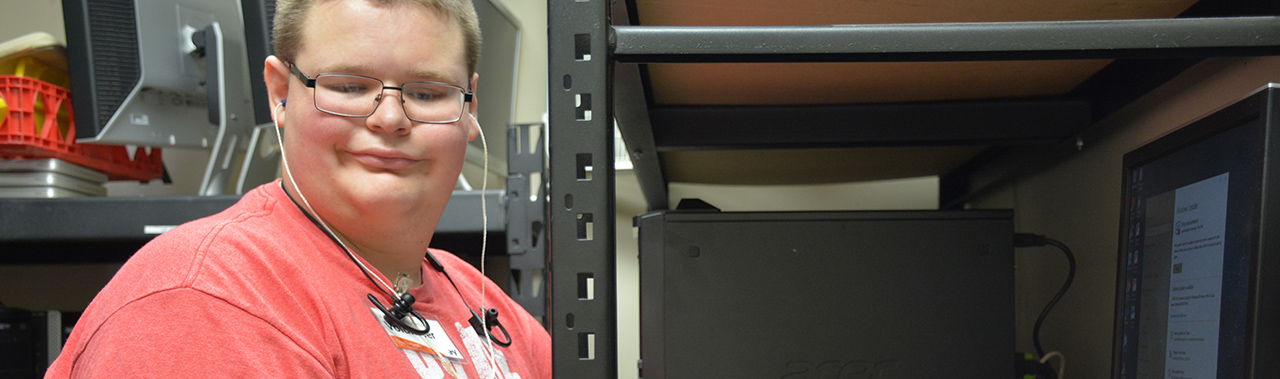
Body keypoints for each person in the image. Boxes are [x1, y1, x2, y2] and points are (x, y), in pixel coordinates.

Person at [45, 0, 551, 377]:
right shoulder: (207, 300)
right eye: (350, 87)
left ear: (470, 108)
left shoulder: (488, 306)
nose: (392, 118)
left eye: (428, 92)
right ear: (281, 93)